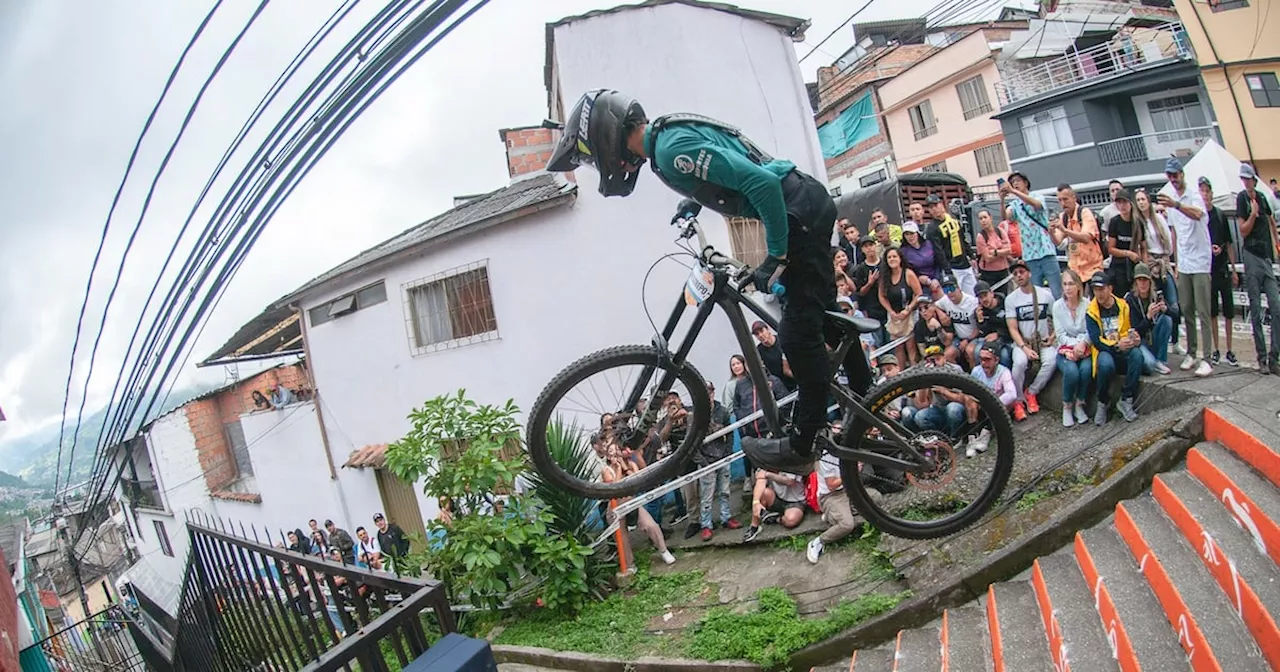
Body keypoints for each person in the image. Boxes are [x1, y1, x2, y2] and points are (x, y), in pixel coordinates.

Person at [545, 89, 874, 473]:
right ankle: (868, 398)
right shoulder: (666, 140)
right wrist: (695, 200)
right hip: (804, 204)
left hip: (796, 212)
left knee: (797, 337)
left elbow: (763, 185)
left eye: (592, 156)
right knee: (821, 314)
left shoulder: (670, 149)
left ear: (606, 138)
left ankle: (802, 445)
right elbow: (725, 168)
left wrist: (777, 256)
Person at [1158, 158, 1214, 377]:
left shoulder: (1193, 195)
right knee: (1187, 309)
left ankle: (1207, 357)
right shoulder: (1172, 202)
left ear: (1182, 174)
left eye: (1175, 175)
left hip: (1201, 260)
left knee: (1203, 311)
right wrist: (1175, 262)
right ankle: (1191, 351)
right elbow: (1174, 233)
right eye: (1170, 176)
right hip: (1185, 261)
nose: (1173, 179)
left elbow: (1198, 214)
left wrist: (1176, 205)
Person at [1237, 163, 1280, 375]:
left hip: (1266, 257)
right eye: (1243, 179)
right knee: (1255, 308)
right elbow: (1243, 231)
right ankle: (1262, 357)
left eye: (1248, 178)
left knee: (1276, 305)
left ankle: (1274, 358)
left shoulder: (1263, 197)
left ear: (1254, 179)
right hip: (1252, 255)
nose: (1246, 182)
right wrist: (1253, 215)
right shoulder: (1241, 199)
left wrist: (1277, 243)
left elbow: (1272, 221)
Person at [1087, 272, 1144, 425]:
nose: (1098, 293)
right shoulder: (1091, 311)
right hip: (1105, 350)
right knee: (1105, 364)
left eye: (1101, 289)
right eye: (1095, 290)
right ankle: (1102, 402)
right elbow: (1096, 341)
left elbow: (1128, 328)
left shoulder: (1123, 305)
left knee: (1137, 356)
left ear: (1110, 289)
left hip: (1122, 347)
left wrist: (1132, 338)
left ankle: (1126, 399)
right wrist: (1116, 345)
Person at [1004, 259, 1058, 421]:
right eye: (1015, 274)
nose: (1019, 276)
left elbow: (1057, 316)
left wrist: (1053, 336)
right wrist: (1024, 347)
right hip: (1023, 342)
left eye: (1021, 272)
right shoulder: (1011, 299)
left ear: (1029, 273)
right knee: (1019, 364)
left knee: (1052, 360)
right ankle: (1018, 400)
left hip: (1041, 340)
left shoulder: (1045, 294)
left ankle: (1032, 392)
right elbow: (1012, 327)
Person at [1003, 171, 1062, 298]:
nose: (1015, 184)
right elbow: (1006, 217)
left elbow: (1037, 205)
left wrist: (1013, 192)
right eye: (1012, 182)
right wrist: (1002, 198)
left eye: (1018, 181)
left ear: (1026, 183)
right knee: (1037, 294)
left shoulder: (1037, 196)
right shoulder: (1014, 205)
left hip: (1046, 251)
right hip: (1030, 255)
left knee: (1057, 291)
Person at [1134, 188, 1179, 350]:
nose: (1141, 203)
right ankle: (1159, 341)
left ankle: (1176, 340)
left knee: (1173, 302)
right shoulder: (1138, 223)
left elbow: (1169, 241)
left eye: (1143, 199)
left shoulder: (1158, 218)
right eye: (1138, 200)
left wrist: (1170, 262)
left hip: (1164, 261)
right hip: (1150, 263)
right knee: (1156, 302)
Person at [696, 383, 741, 541]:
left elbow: (729, 433)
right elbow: (691, 442)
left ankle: (726, 517)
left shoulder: (722, 411)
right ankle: (706, 525)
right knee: (707, 496)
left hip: (722, 456)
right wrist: (702, 461)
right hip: (706, 460)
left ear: (713, 392)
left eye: (709, 392)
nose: (707, 395)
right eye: (703, 392)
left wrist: (728, 452)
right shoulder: (696, 413)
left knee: (725, 490)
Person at [1203, 177, 1239, 367]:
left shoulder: (1220, 215)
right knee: (1212, 313)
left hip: (1222, 267)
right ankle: (1216, 349)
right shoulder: (1199, 216)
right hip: (1208, 270)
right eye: (1202, 191)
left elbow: (1229, 243)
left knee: (1229, 311)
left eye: (1207, 191)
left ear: (1211, 193)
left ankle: (1230, 349)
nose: (1205, 195)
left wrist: (1233, 269)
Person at [1053, 269, 1093, 427]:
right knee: (1071, 372)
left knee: (1086, 369)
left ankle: (1080, 404)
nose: (1068, 288)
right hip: (1065, 349)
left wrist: (1082, 344)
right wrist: (1074, 346)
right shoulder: (1057, 306)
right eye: (1065, 284)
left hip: (1085, 348)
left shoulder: (1088, 304)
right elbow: (1060, 335)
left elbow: (1090, 330)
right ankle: (1067, 406)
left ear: (1078, 286)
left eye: (1071, 284)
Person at [806, 452, 858, 564]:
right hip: (831, 495)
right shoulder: (826, 456)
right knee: (847, 525)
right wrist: (852, 472)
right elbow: (832, 485)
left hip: (848, 489)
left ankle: (834, 514)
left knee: (876, 498)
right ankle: (818, 542)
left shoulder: (850, 447)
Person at [1125, 263, 1174, 375]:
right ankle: (1151, 361)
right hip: (1139, 341)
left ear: (1150, 281)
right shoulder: (1130, 299)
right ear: (1135, 282)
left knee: (1167, 320)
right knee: (1149, 365)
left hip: (1153, 337)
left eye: (1145, 280)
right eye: (1140, 280)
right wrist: (1148, 317)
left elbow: (1176, 317)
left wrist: (1166, 309)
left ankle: (1161, 359)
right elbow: (1134, 330)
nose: (1143, 283)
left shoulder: (1156, 296)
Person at [1051, 184, 1103, 288]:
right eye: (1060, 200)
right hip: (1075, 270)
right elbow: (1058, 241)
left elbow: (1086, 238)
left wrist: (1065, 230)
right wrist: (1051, 232)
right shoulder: (1063, 217)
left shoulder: (1084, 213)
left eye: (1065, 199)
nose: (1063, 203)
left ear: (1074, 198)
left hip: (1092, 268)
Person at [926, 194, 978, 294]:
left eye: (936, 205)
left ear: (941, 205)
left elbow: (962, 238)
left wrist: (971, 255)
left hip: (965, 264)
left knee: (973, 296)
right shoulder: (932, 228)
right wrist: (947, 270)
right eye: (931, 207)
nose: (934, 209)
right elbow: (938, 251)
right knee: (956, 296)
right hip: (952, 267)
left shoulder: (953, 219)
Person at [880, 247, 924, 366]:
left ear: (900, 258)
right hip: (894, 315)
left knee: (910, 345)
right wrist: (891, 312)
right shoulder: (884, 277)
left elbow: (919, 293)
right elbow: (882, 296)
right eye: (889, 257)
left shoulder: (908, 273)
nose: (892, 259)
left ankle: (914, 373)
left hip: (909, 313)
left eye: (894, 256)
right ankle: (900, 374)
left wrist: (909, 309)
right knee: (898, 347)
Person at [969, 342, 1014, 455]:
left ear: (997, 360)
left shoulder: (1004, 372)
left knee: (1006, 403)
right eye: (981, 359)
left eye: (987, 359)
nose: (984, 363)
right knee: (969, 400)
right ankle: (972, 436)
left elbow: (1012, 394)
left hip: (997, 407)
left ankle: (986, 433)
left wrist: (992, 402)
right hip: (981, 406)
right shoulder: (976, 371)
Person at [743, 469, 806, 542]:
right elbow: (760, 481)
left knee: (790, 521)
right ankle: (754, 526)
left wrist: (768, 474)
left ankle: (776, 519)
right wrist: (755, 502)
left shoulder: (791, 460)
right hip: (777, 498)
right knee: (761, 493)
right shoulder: (766, 461)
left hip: (795, 501)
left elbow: (790, 481)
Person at [1106, 188, 1145, 298]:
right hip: (1119, 266)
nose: (1122, 205)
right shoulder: (1114, 222)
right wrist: (1128, 253)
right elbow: (1111, 249)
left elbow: (1143, 247)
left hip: (1134, 266)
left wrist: (1144, 265)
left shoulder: (1138, 223)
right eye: (1119, 202)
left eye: (1124, 202)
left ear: (1130, 203)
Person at [936, 274, 979, 368]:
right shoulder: (945, 300)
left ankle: (973, 379)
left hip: (974, 337)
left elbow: (979, 327)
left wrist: (968, 340)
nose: (950, 293)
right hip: (958, 338)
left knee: (970, 351)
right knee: (947, 355)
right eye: (946, 290)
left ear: (958, 288)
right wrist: (940, 313)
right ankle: (961, 377)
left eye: (952, 288)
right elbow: (932, 305)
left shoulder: (972, 302)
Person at [971, 281, 1013, 370]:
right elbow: (984, 333)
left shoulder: (1006, 303)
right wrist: (981, 321)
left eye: (985, 295)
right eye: (980, 297)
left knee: (1004, 355)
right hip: (989, 340)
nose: (984, 300)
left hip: (1007, 338)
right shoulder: (980, 311)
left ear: (992, 293)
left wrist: (999, 334)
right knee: (978, 352)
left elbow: (1013, 327)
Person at [975, 208, 1012, 288]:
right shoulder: (980, 236)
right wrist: (1002, 251)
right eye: (980, 219)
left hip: (1003, 271)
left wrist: (995, 252)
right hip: (988, 274)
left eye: (985, 217)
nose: (983, 220)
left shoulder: (1000, 231)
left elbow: (1009, 250)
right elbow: (988, 258)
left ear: (990, 218)